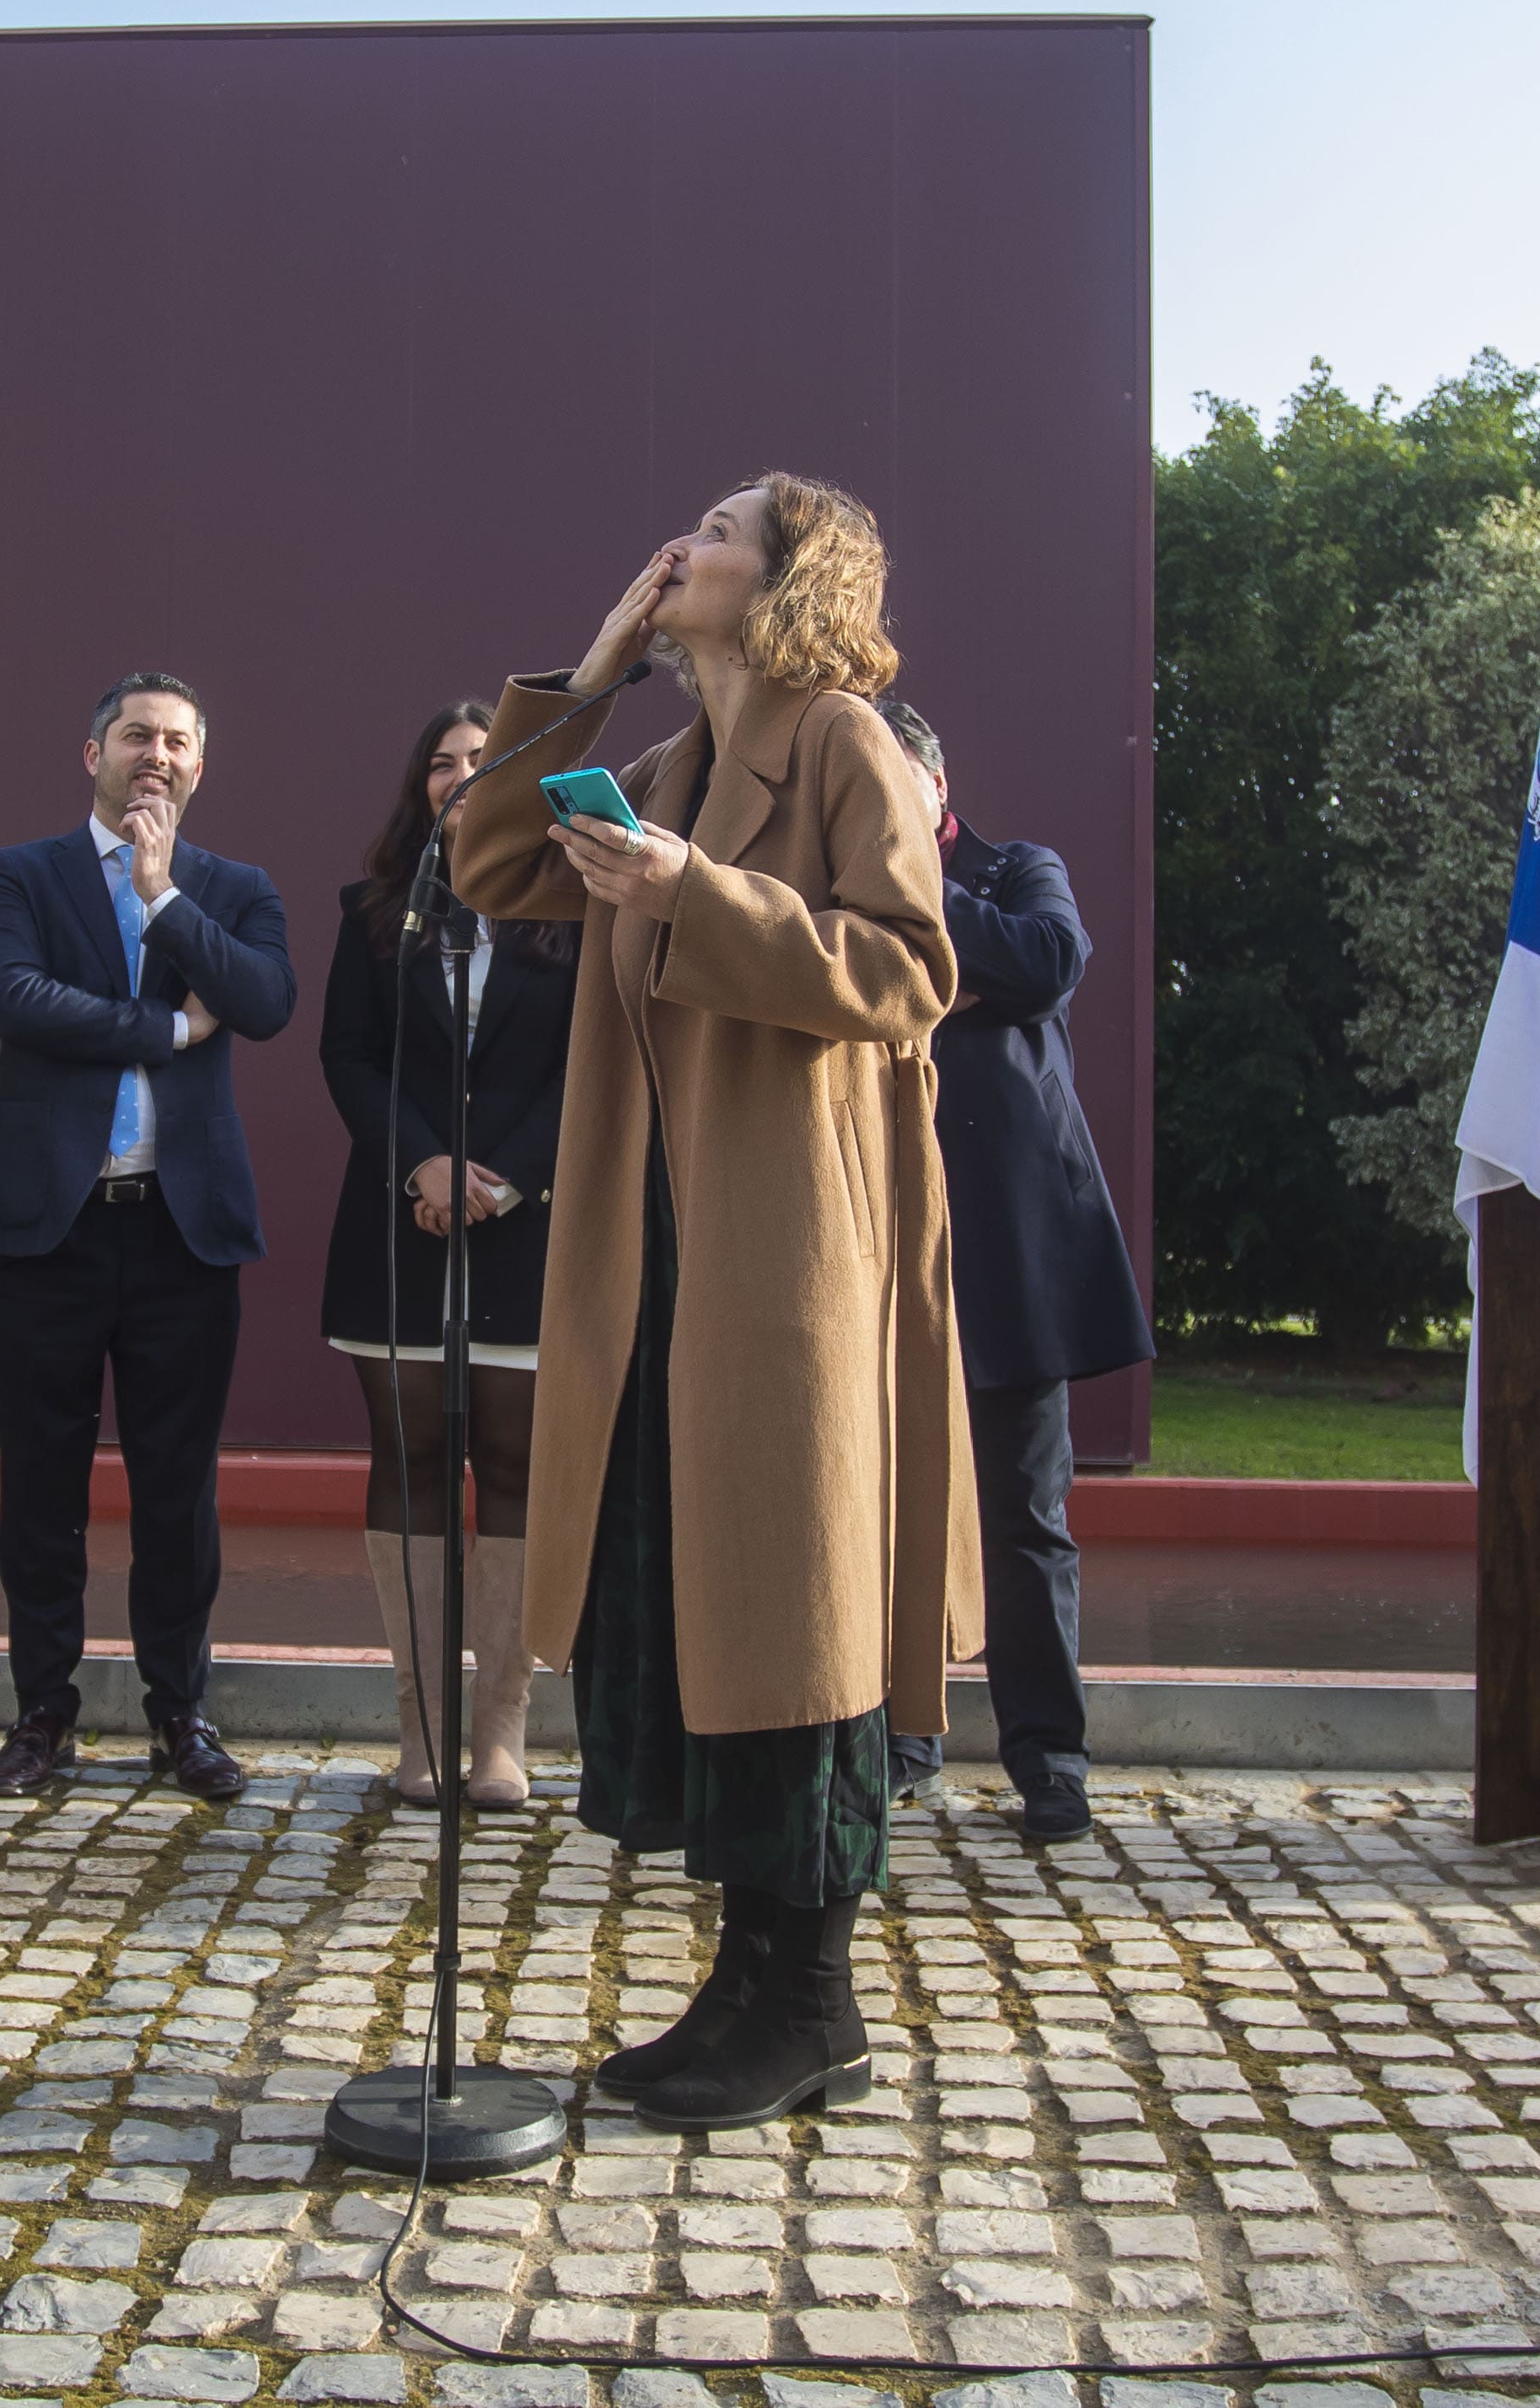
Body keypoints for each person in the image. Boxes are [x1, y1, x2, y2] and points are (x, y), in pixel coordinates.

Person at [453, 473, 979, 2134]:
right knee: (707, 1609)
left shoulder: (845, 740)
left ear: (790, 578)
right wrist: (592, 669)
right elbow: (485, 860)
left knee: (799, 1616)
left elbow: (907, 967)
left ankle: (810, 2002)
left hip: (799, 1250)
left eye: (724, 525)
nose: (685, 537)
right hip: (667, 1244)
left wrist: (695, 889)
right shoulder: (667, 758)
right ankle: (749, 1988)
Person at [0, 674, 295, 1805]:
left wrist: (161, 895)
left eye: (179, 741)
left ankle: (179, 1711)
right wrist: (160, 1026)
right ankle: (42, 1709)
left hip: (180, 1237)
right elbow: (15, 996)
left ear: (201, 766)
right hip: (48, 1231)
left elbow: (263, 1000)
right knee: (41, 1484)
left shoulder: (234, 890)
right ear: (90, 748)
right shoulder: (21, 872)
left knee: (176, 1488)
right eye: (137, 734)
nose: (157, 753)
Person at [877, 700, 1152, 1842]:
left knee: (1025, 1512)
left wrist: (910, 903)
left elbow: (1045, 963)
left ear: (936, 790)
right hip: (883, 1236)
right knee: (889, 1504)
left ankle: (1049, 1753)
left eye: (892, 793)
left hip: (1011, 1247)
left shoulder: (1019, 866)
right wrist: (958, 966)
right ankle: (904, 1734)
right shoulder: (833, 890)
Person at [320, 701, 574, 1813]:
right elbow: (349, 1052)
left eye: (486, 758)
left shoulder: (574, 904)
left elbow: (594, 1060)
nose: (463, 774)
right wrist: (420, 1161)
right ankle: (420, 1734)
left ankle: (501, 1736)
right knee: (412, 1455)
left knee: (515, 1463)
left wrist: (508, 1173)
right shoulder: (375, 911)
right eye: (443, 761)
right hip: (399, 1225)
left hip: (531, 1227)